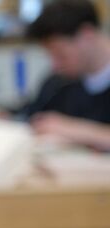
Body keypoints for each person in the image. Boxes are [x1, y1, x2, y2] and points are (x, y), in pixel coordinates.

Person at [21, 0, 110, 151]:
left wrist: (76, 130)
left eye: (61, 54)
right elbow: (30, 119)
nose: (55, 65)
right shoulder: (58, 84)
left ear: (86, 35)